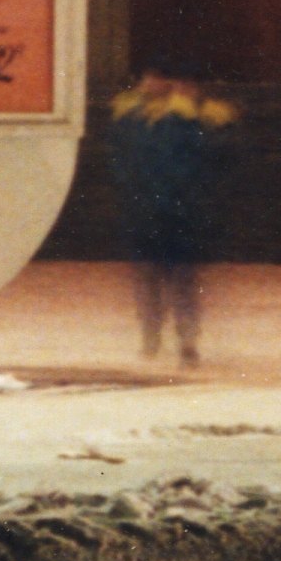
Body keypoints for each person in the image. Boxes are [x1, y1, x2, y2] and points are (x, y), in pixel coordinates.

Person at [106, 73, 236, 367]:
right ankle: (164, 336)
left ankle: (179, 338)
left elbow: (193, 158)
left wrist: (180, 114)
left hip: (174, 210)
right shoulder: (136, 115)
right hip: (161, 210)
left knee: (173, 278)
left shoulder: (199, 118)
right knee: (162, 278)